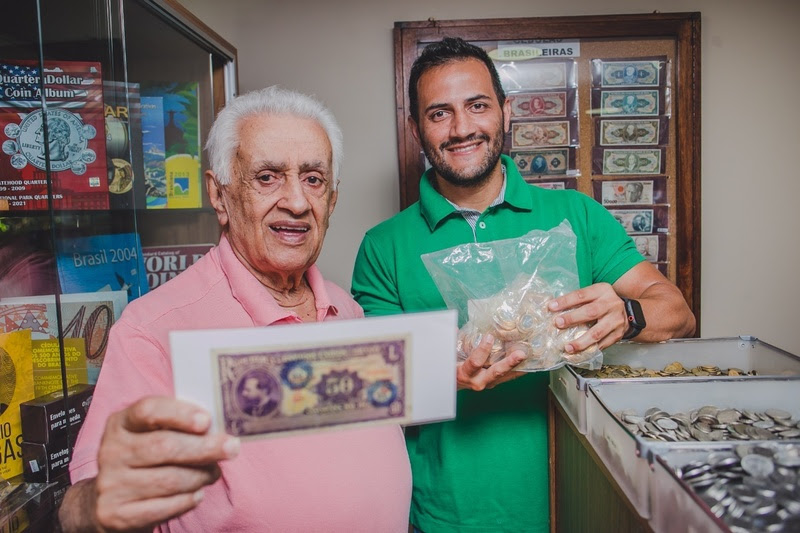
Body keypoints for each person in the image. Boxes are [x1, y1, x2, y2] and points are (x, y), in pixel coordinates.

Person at [351, 37, 695, 532]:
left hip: (578, 502)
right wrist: (445, 372)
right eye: (439, 113)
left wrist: (628, 311)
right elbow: (374, 384)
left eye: (477, 106)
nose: (462, 128)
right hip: (445, 517)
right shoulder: (384, 246)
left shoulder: (577, 217)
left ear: (506, 113)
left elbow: (677, 314)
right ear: (415, 129)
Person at [58, 86, 412, 532]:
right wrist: (92, 507)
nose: (297, 202)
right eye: (267, 177)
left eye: (314, 179)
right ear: (219, 195)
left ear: (332, 198)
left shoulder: (346, 308)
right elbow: (87, 505)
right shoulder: (154, 329)